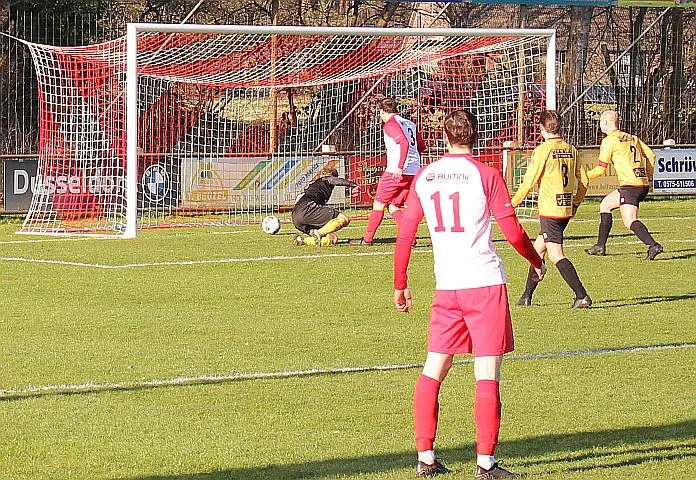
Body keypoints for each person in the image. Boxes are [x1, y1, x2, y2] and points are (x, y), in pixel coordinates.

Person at [393, 110, 545, 479]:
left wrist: (400, 282)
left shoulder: (426, 176)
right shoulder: (486, 174)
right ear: (476, 135)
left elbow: (406, 232)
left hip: (447, 287)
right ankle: (486, 464)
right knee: (487, 372)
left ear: (443, 137)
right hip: (484, 284)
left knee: (434, 368)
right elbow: (512, 230)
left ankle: (425, 458)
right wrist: (535, 259)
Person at [511, 110, 591, 309]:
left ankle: (582, 295)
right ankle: (526, 297)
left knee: (555, 255)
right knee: (538, 250)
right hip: (565, 209)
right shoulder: (571, 149)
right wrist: (575, 203)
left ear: (541, 128)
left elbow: (528, 182)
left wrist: (511, 205)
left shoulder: (543, 150)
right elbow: (584, 181)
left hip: (550, 211)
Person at [584, 110, 663, 260]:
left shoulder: (609, 141)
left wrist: (583, 176)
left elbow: (600, 170)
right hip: (640, 185)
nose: (599, 125)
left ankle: (653, 245)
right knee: (605, 205)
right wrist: (648, 176)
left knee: (630, 220)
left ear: (606, 122)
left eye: (600, 122)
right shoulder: (632, 138)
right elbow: (651, 155)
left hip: (630, 187)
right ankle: (600, 246)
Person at [349, 97, 425, 245]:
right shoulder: (410, 123)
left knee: (378, 204)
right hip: (413, 171)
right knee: (393, 205)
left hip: (397, 171)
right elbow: (421, 146)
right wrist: (413, 163)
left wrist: (400, 165)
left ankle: (367, 239)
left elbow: (403, 142)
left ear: (383, 111)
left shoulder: (391, 124)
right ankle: (410, 238)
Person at [291, 165, 357, 246]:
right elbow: (331, 179)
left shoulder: (313, 186)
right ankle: (319, 232)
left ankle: (303, 241)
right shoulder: (324, 180)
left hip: (296, 218)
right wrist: (353, 185)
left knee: (332, 238)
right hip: (308, 209)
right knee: (344, 219)